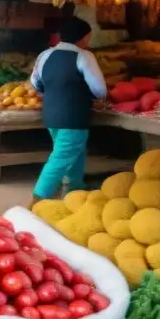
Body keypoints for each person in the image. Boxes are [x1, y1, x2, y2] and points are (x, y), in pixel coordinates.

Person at [29, 16, 107, 204]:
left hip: (51, 114)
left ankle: (75, 189)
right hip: (74, 115)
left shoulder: (46, 55)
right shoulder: (84, 56)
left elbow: (35, 83)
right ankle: (38, 197)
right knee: (62, 156)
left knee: (74, 151)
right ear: (84, 37)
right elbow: (99, 89)